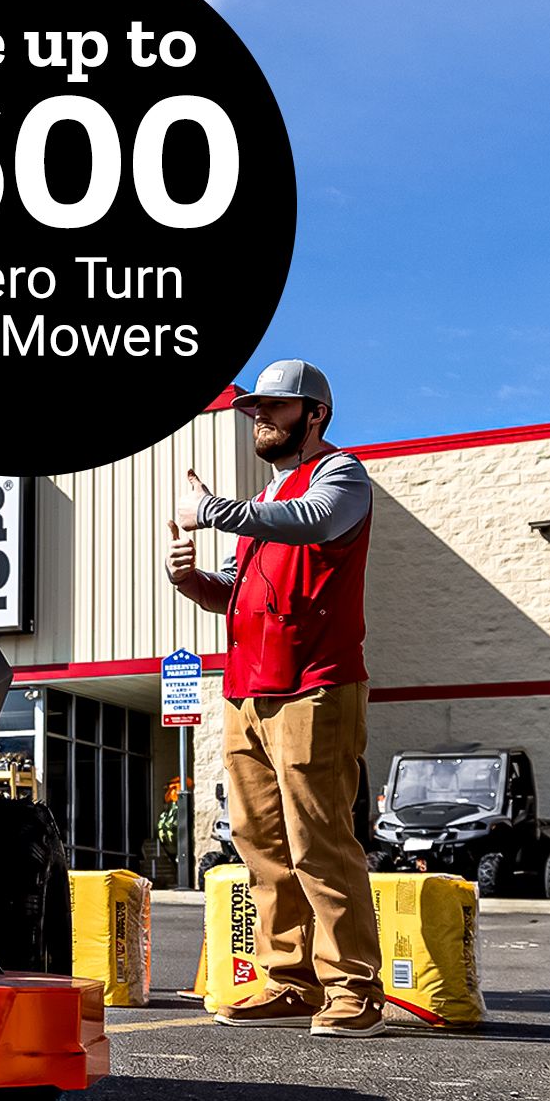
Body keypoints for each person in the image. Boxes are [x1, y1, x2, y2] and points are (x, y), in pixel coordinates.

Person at [167, 359, 385, 1036]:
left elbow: (315, 523)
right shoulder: (261, 508)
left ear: (313, 414)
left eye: (273, 407)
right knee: (259, 843)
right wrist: (191, 580)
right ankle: (290, 981)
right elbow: (232, 590)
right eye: (253, 409)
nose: (257, 417)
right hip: (245, 692)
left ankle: (354, 990)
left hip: (315, 687)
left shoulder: (339, 476)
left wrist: (208, 508)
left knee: (318, 839)